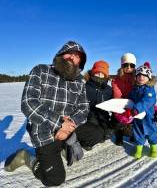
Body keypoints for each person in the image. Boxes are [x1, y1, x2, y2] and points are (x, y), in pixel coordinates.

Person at [4, 41, 89, 187]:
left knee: (77, 155)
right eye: (70, 53)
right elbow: (28, 103)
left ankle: (62, 146)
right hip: (43, 132)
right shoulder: (41, 70)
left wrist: (68, 127)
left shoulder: (80, 81)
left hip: (66, 130)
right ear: (61, 54)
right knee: (55, 179)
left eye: (77, 57)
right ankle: (27, 157)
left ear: (80, 63)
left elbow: (84, 108)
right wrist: (60, 124)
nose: (73, 58)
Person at [76, 60, 113, 150]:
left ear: (106, 75)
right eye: (97, 73)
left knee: (106, 135)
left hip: (103, 115)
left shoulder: (108, 89)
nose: (99, 76)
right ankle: (84, 142)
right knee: (95, 134)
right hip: (88, 115)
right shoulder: (85, 87)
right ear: (92, 73)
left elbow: (113, 102)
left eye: (102, 74)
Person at [128, 63, 157, 159]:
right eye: (139, 75)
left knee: (151, 133)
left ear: (148, 77)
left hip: (148, 118)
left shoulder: (149, 90)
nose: (141, 77)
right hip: (137, 118)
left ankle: (153, 148)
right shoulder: (134, 89)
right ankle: (139, 149)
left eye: (144, 75)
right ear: (136, 77)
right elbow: (131, 98)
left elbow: (147, 101)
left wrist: (137, 109)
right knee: (138, 133)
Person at [111, 52, 136, 145]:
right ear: (122, 65)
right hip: (120, 105)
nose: (129, 67)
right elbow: (117, 95)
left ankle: (134, 133)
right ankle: (119, 135)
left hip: (132, 106)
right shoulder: (116, 80)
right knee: (118, 119)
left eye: (132, 65)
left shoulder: (137, 79)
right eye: (126, 64)